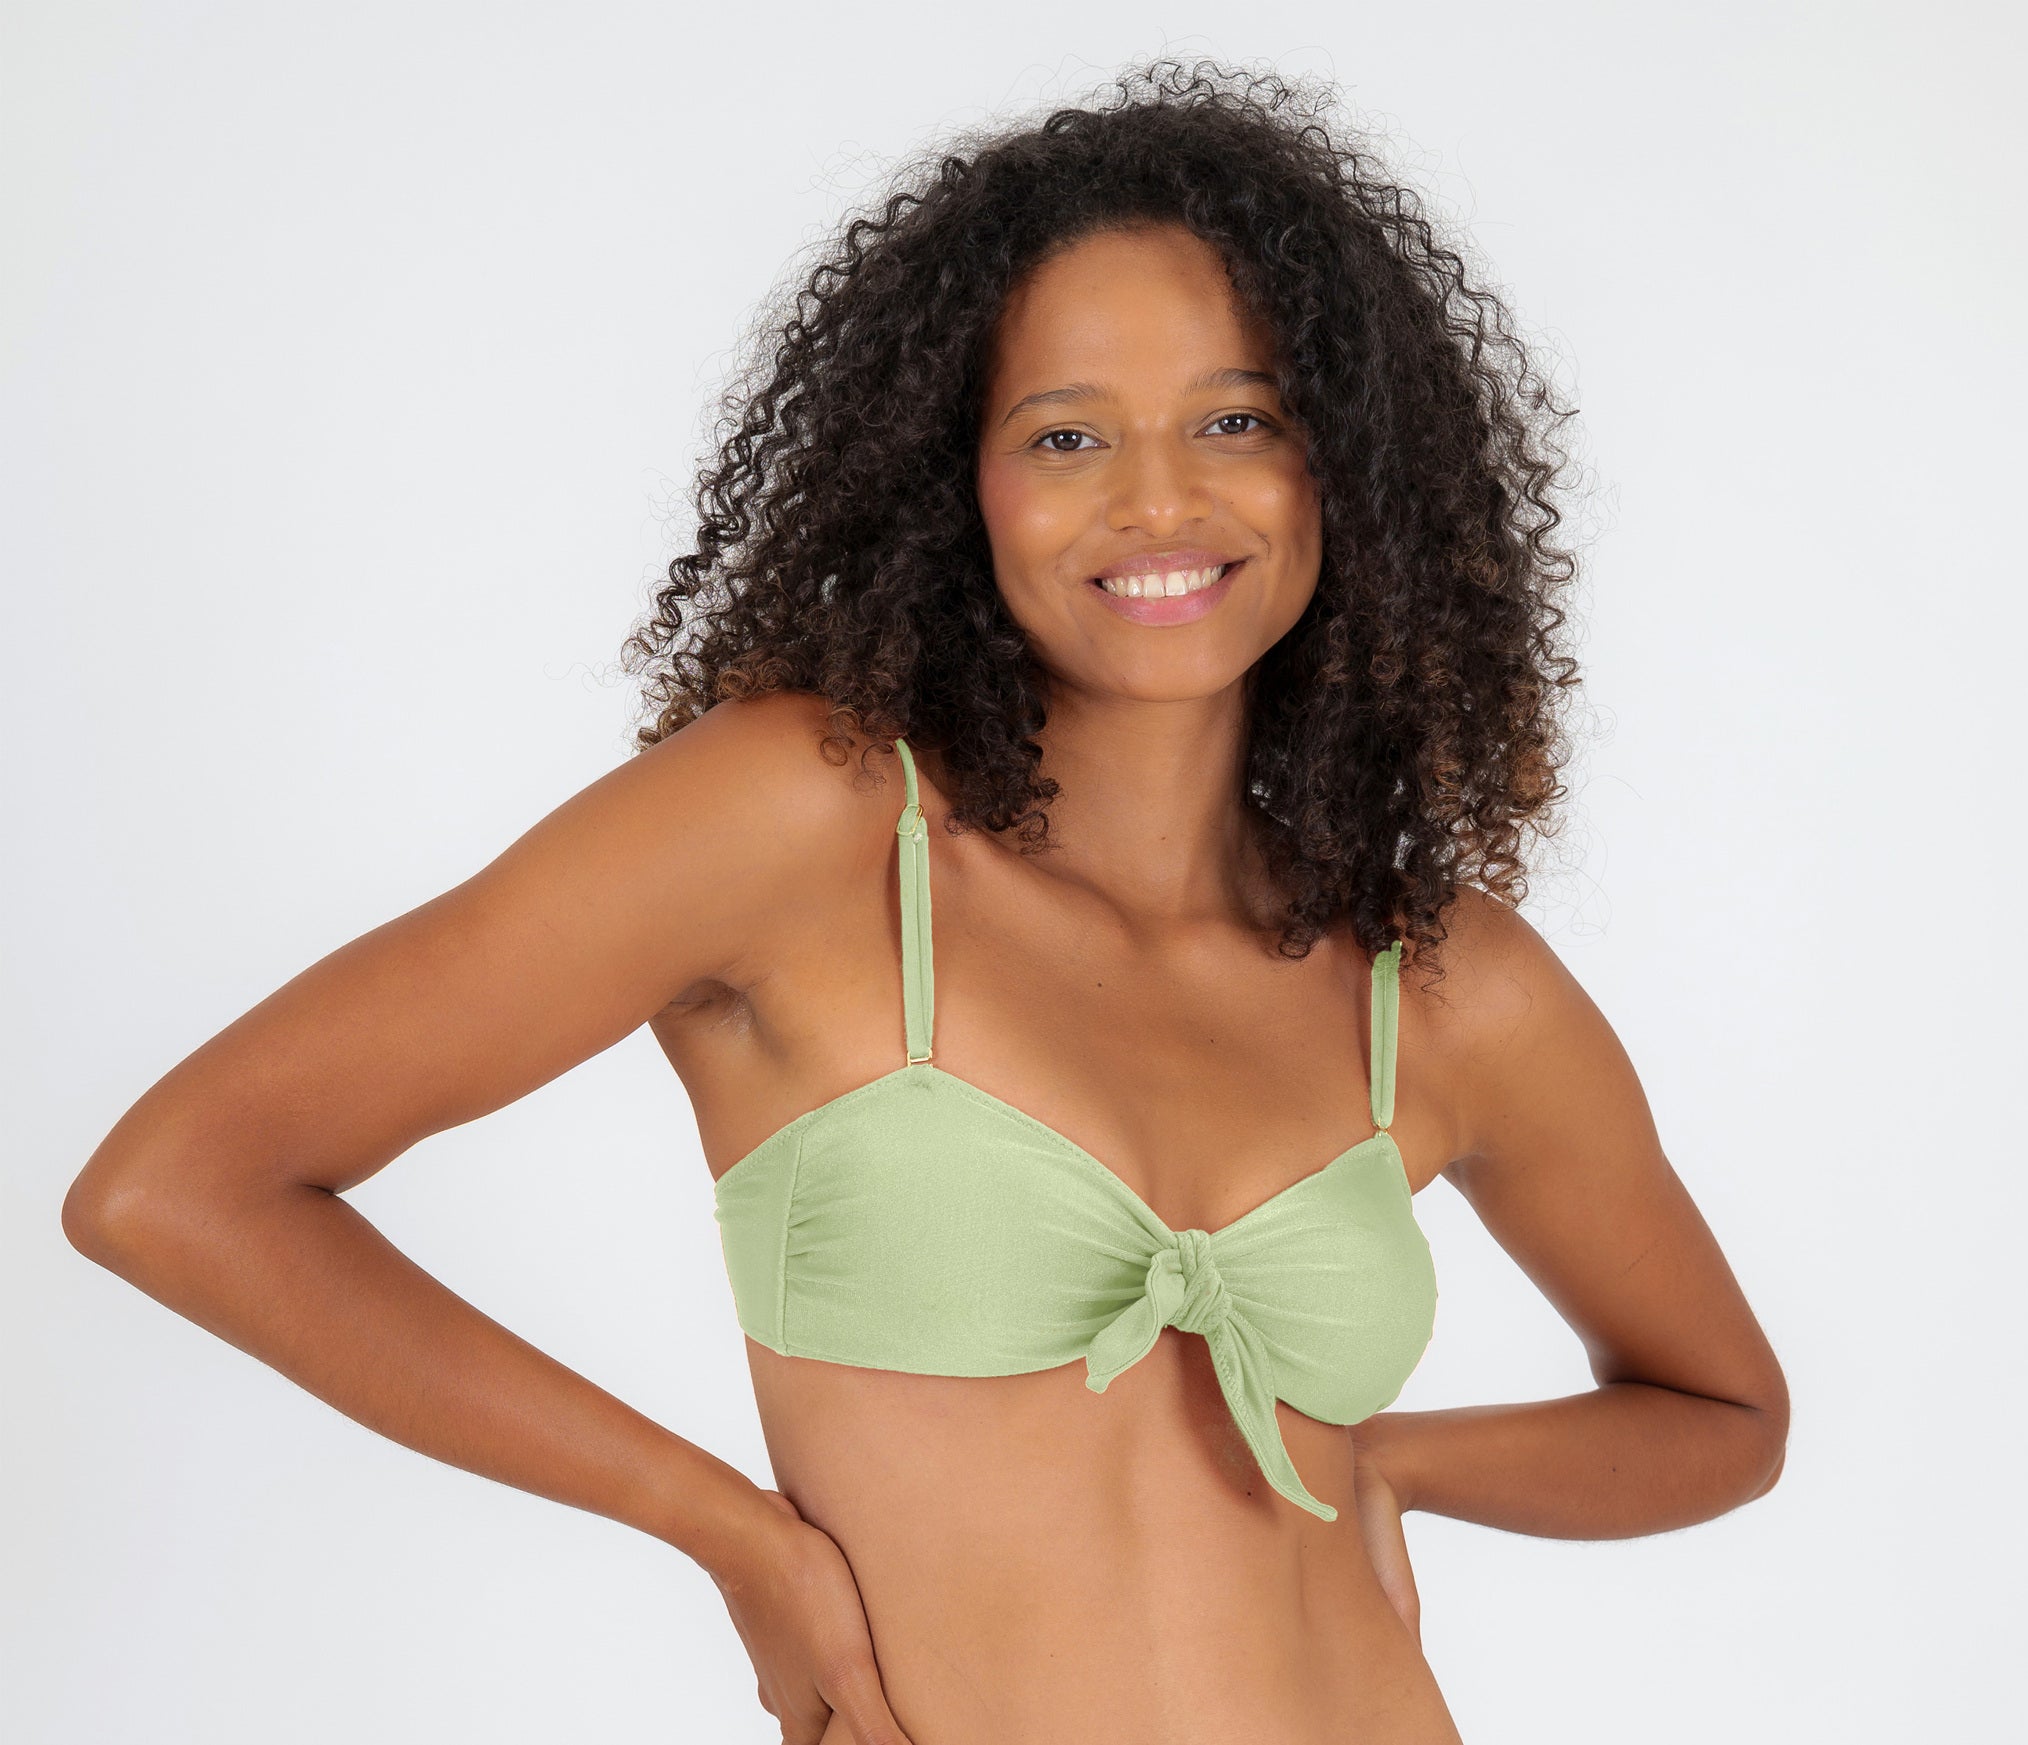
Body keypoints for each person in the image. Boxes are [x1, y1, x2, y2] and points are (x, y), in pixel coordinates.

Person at [63, 59, 1790, 1745]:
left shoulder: (1441, 978)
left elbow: (1722, 1410)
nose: (1160, 497)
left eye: (1238, 419)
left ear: (1346, 465)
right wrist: (729, 1533)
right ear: (956, 481)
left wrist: (1397, 1462)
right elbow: (179, 1188)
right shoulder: (804, 827)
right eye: (1067, 434)